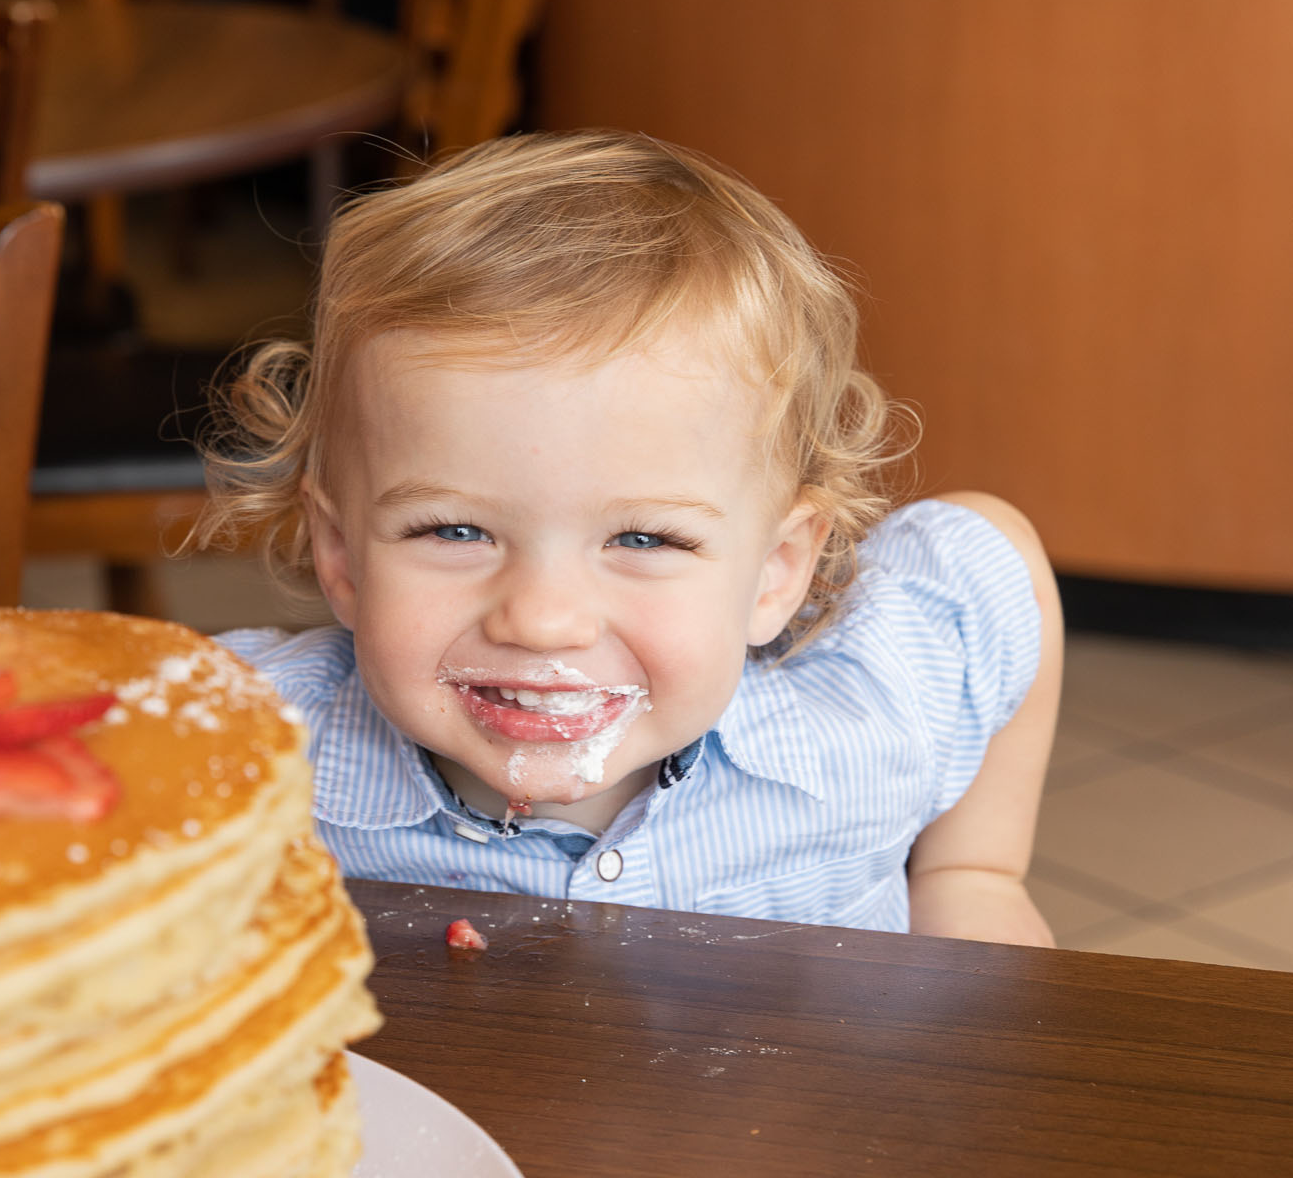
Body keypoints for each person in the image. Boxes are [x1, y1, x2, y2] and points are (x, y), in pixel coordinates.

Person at [203, 130, 1063, 945]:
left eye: (645, 541)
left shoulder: (865, 729)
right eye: (457, 530)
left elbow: (992, 554)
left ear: (775, 570)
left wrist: (976, 869)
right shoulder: (240, 750)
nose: (542, 620)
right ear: (343, 555)